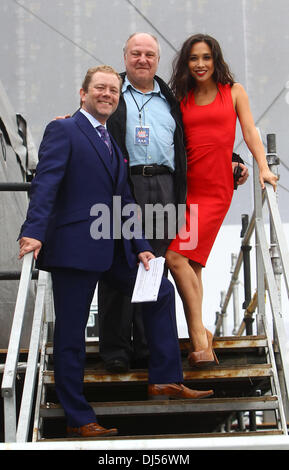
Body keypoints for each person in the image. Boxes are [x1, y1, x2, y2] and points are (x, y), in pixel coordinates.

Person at [18, 65, 214, 439]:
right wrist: (34, 232)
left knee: (160, 290)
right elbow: (46, 183)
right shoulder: (64, 129)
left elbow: (124, 200)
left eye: (112, 90)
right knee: (72, 336)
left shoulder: (112, 141)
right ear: (83, 93)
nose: (107, 94)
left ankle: (165, 379)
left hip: (112, 246)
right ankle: (79, 416)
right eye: (100, 89)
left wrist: (141, 247)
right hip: (74, 250)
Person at [96, 32, 249, 373]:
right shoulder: (112, 91)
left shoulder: (171, 97)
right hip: (122, 182)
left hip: (166, 185)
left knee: (157, 264)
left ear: (157, 60)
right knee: (117, 261)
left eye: (149, 54)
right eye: (136, 53)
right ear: (125, 56)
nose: (142, 59)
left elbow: (198, 136)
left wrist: (233, 159)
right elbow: (89, 117)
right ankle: (117, 350)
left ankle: (149, 344)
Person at [165, 34, 278, 368]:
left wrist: (262, 167)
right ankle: (204, 337)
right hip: (186, 188)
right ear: (186, 63)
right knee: (192, 263)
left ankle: (199, 340)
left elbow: (250, 134)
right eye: (193, 58)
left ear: (216, 60)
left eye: (206, 57)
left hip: (215, 189)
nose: (200, 64)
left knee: (175, 256)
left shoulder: (234, 92)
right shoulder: (180, 98)